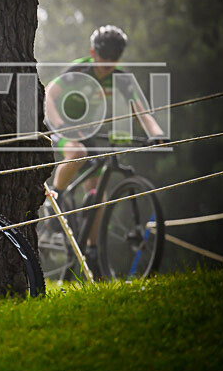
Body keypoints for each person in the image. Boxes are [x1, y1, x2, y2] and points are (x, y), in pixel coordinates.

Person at [44, 25, 165, 257]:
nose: (108, 62)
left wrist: (156, 133)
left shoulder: (120, 77)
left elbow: (140, 110)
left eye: (114, 57)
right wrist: (58, 123)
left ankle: (91, 251)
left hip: (88, 128)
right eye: (104, 56)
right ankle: (55, 199)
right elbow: (50, 92)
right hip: (60, 122)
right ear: (93, 52)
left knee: (98, 193)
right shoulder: (80, 69)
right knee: (77, 154)